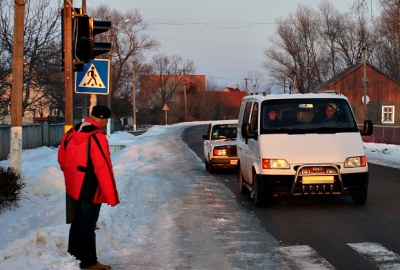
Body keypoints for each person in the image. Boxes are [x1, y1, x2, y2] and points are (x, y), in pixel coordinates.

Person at [58, 105, 119, 270]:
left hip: (73, 185)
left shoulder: (71, 132)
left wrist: (73, 176)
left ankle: (74, 255)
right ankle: (89, 263)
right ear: (104, 120)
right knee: (88, 224)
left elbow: (62, 159)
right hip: (90, 186)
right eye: (106, 120)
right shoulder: (96, 137)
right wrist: (111, 196)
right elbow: (103, 168)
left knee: (77, 220)